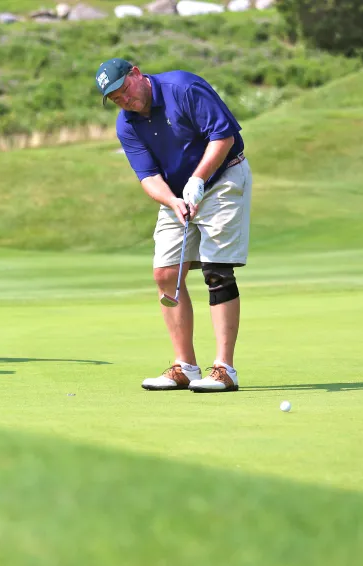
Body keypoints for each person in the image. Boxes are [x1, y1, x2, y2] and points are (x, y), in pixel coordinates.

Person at [96, 58, 253, 393]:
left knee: (217, 270)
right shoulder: (127, 124)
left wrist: (198, 180)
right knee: (166, 274)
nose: (124, 100)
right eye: (115, 98)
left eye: (124, 90)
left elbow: (222, 137)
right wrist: (172, 201)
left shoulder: (183, 87)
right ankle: (186, 366)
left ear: (136, 74)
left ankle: (224, 369)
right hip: (177, 193)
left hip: (223, 177)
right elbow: (148, 176)